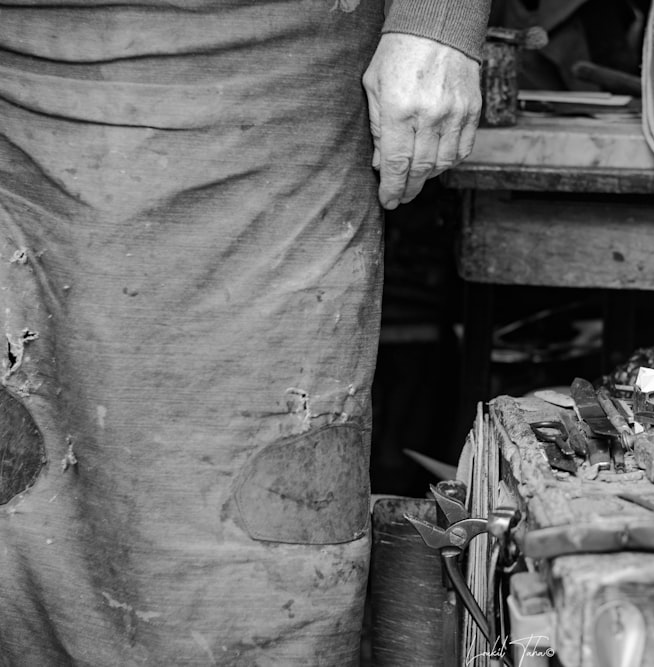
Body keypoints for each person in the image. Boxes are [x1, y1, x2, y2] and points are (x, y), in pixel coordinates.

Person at [0, 0, 488, 663]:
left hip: (275, 74)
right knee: (23, 497)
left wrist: (440, 21)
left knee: (260, 529)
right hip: (20, 90)